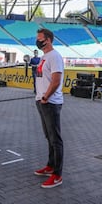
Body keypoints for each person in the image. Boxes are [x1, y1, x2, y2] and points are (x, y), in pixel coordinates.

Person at [33, 28, 64, 189]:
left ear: (48, 40)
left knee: (55, 140)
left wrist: (45, 97)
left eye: (40, 38)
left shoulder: (55, 56)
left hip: (50, 103)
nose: (37, 41)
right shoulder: (44, 57)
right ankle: (50, 166)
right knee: (49, 137)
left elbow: (56, 80)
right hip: (42, 102)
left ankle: (57, 175)